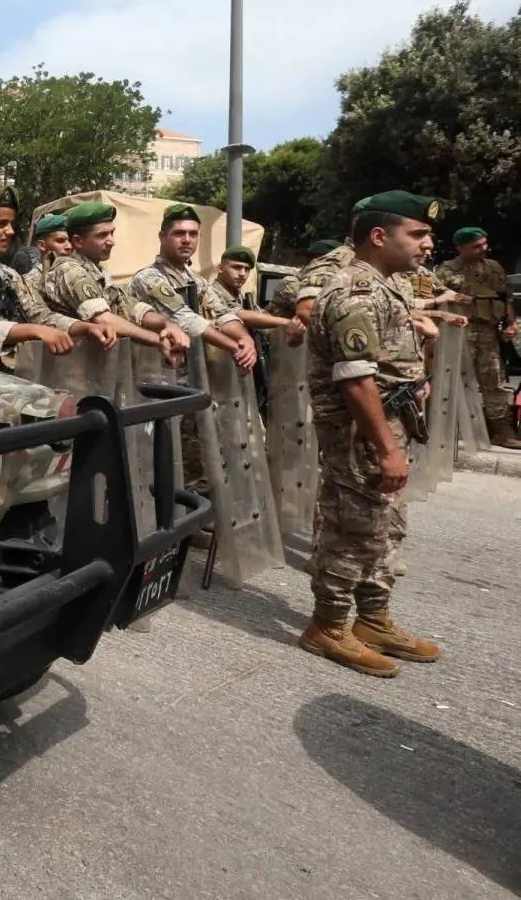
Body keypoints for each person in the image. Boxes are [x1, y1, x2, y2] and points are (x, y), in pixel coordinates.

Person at [301, 190, 443, 677]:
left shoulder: (387, 285)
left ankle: (374, 619)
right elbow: (356, 378)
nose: (428, 243)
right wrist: (386, 448)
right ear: (379, 236)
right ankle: (328, 625)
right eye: (418, 233)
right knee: (353, 529)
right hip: (360, 434)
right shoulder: (354, 292)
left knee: (385, 527)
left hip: (389, 424)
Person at [0, 185, 114, 372]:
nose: (10, 231)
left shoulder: (7, 275)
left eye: (11, 224)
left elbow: (40, 315)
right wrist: (33, 331)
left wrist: (84, 327)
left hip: (7, 378)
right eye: (1, 224)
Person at [41, 201, 189, 364]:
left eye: (112, 233)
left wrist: (167, 324)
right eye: (102, 235)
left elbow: (132, 308)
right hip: (68, 369)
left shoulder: (98, 270)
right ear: (78, 241)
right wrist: (158, 340)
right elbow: (103, 319)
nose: (112, 241)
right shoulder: (69, 269)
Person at [128, 203, 258, 373]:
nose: (187, 240)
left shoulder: (196, 280)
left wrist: (245, 338)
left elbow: (223, 313)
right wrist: (235, 347)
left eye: (193, 234)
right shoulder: (148, 278)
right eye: (179, 233)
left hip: (196, 376)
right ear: (162, 236)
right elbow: (186, 319)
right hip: (159, 376)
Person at [433, 226, 521, 449]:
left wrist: (510, 324)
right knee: (453, 380)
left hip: (488, 331)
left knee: (494, 380)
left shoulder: (493, 268)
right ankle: (446, 430)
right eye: (476, 246)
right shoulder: (446, 271)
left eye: (484, 244)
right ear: (461, 247)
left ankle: (502, 430)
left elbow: (504, 298)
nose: (484, 249)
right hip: (457, 331)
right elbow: (433, 300)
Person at [208, 245, 302, 335]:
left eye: (247, 269)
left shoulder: (239, 296)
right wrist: (286, 322)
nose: (242, 273)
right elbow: (240, 315)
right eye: (236, 267)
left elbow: (261, 314)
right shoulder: (211, 293)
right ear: (220, 268)